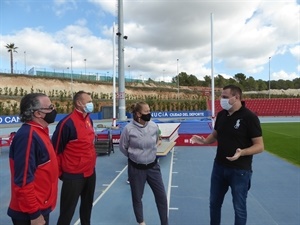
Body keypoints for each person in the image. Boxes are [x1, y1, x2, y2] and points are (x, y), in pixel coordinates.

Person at [191, 84, 264, 225]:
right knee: (214, 204)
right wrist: (205, 141)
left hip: (240, 170)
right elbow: (216, 134)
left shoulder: (249, 117)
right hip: (219, 167)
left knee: (239, 208)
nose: (221, 99)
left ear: (236, 98)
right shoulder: (222, 115)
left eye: (225, 97)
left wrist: (242, 152)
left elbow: (260, 146)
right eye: (221, 96)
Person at [7, 93, 59, 225]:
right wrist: (34, 214)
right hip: (30, 213)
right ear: (38, 113)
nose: (53, 110)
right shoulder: (28, 137)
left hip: (40, 206)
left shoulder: (40, 132)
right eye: (50, 107)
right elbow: (23, 181)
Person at [119, 101, 168, 225]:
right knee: (137, 197)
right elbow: (123, 147)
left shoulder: (153, 126)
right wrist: (135, 157)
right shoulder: (128, 129)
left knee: (161, 197)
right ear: (138, 114)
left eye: (149, 111)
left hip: (153, 167)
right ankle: (141, 222)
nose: (149, 113)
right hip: (136, 169)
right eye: (146, 112)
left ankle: (165, 222)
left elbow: (157, 139)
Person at [52, 91, 97, 225]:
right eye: (88, 101)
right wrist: (62, 174)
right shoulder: (67, 123)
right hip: (73, 176)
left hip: (90, 172)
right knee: (67, 212)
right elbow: (55, 150)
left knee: (87, 208)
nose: (91, 104)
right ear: (79, 103)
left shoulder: (89, 119)